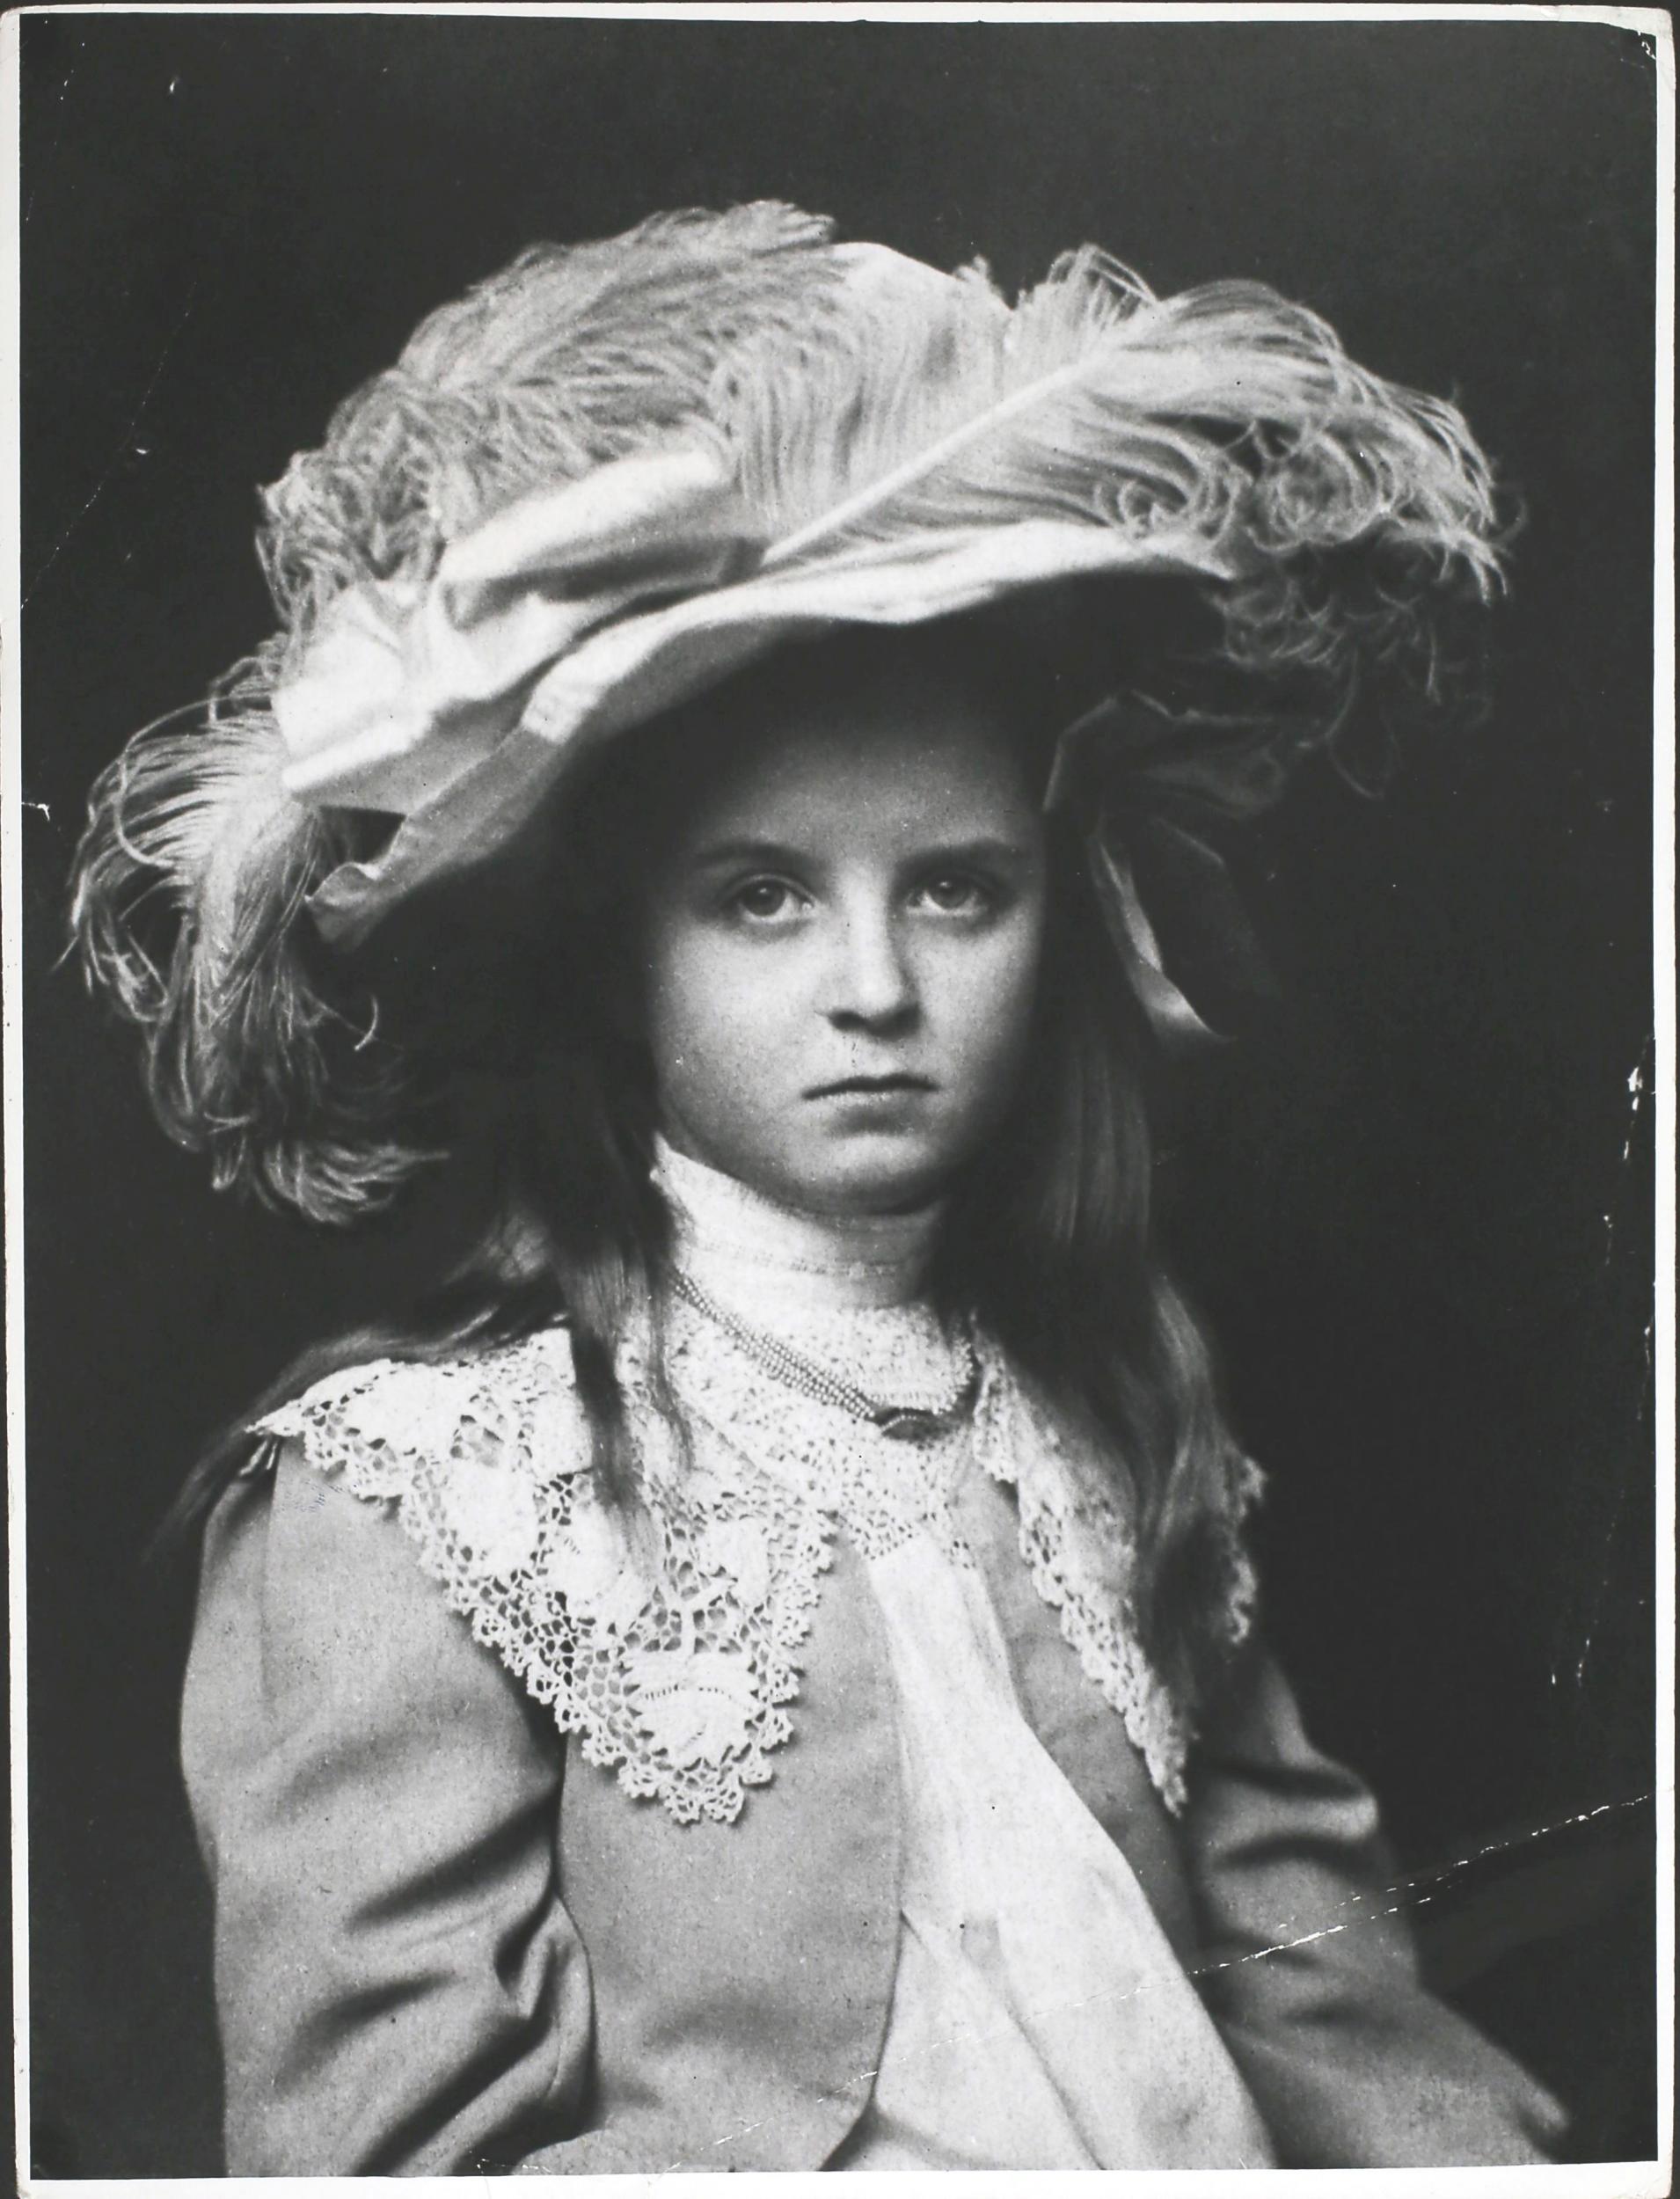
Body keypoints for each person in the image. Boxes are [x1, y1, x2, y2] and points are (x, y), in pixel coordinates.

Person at [70, 202, 1567, 2174]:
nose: (875, 987)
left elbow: (1330, 1998)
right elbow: (394, 2153)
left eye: (954, 886)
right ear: (624, 958)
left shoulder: (1099, 1413)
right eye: (761, 895)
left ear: (1058, 922)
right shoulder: (417, 1501)